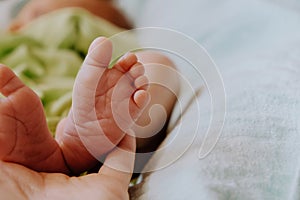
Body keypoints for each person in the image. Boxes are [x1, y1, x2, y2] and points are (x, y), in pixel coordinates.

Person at [0, 0, 179, 199]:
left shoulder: (73, 29)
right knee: (157, 67)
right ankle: (93, 139)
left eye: (38, 15)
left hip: (71, 112)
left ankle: (103, 133)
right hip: (19, 127)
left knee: (155, 65)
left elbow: (121, 54)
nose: (15, 25)